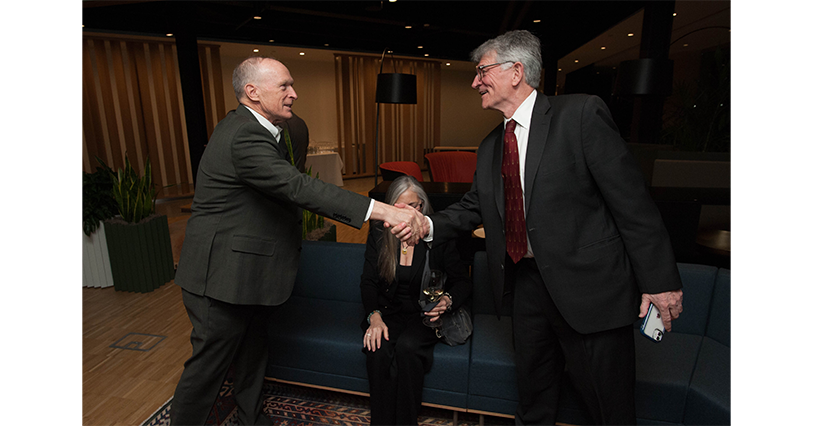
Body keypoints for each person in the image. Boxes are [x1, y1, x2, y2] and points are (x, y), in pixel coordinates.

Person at [404, 30, 685, 426]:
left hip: (591, 290)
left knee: (608, 406)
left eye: (482, 70)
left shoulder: (581, 115)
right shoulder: (490, 145)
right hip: (526, 286)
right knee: (533, 396)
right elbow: (474, 207)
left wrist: (660, 281)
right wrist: (425, 224)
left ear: (515, 71)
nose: (474, 81)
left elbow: (632, 204)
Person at [170, 56, 425, 426]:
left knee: (254, 354)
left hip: (253, 271)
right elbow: (297, 187)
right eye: (284, 87)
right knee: (207, 371)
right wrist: (387, 211)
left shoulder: (287, 128)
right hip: (219, 277)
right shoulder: (241, 133)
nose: (294, 94)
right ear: (252, 93)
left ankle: (252, 419)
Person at [361, 176, 472, 426]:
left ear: (423, 206)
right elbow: (368, 282)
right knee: (377, 350)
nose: (408, 214)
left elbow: (463, 282)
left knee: (408, 348)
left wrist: (448, 299)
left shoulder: (438, 234)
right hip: (388, 312)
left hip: (425, 315)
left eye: (414, 206)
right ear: (390, 208)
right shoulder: (380, 231)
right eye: (400, 207)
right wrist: (374, 317)